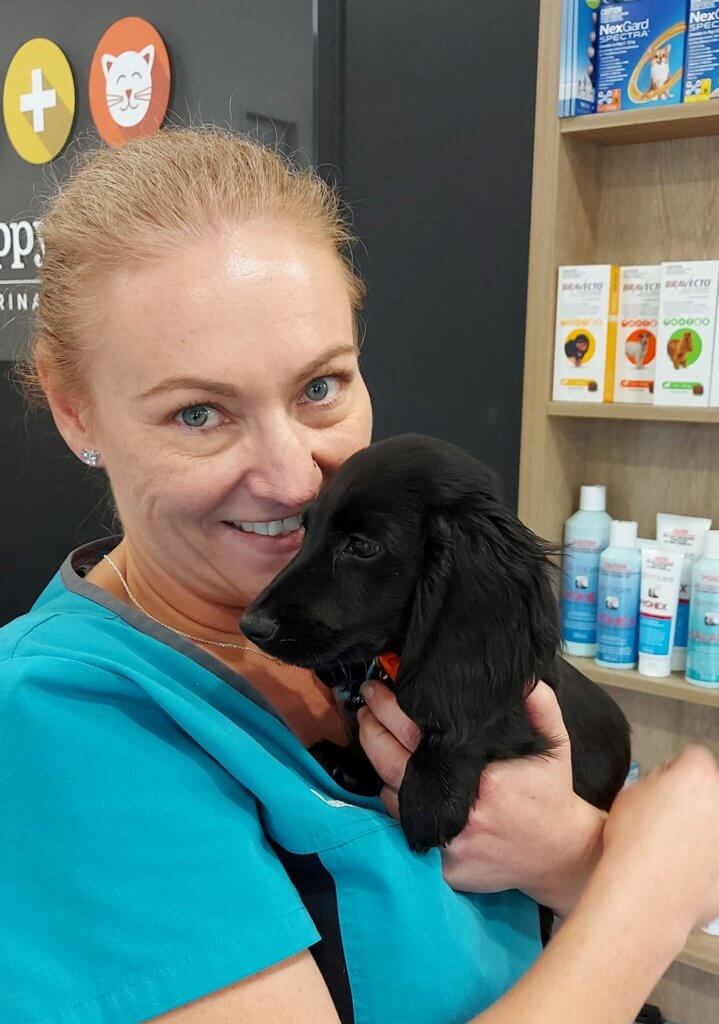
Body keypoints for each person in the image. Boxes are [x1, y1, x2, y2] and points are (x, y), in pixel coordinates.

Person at [1, 126, 718, 1024]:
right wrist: (641, 893)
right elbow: (668, 875)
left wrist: (572, 858)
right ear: (76, 411)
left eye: (319, 388)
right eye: (198, 413)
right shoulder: (60, 719)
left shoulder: (382, 607)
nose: (296, 476)